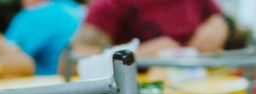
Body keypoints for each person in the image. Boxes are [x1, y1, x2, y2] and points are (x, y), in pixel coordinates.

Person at [69, 0, 232, 57]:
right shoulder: (110, 5)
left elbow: (220, 18)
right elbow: (74, 59)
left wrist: (220, 23)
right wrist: (136, 55)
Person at [4, 0, 86, 74]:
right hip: (84, 82)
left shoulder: (33, 15)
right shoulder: (77, 8)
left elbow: (4, 57)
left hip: (52, 85)